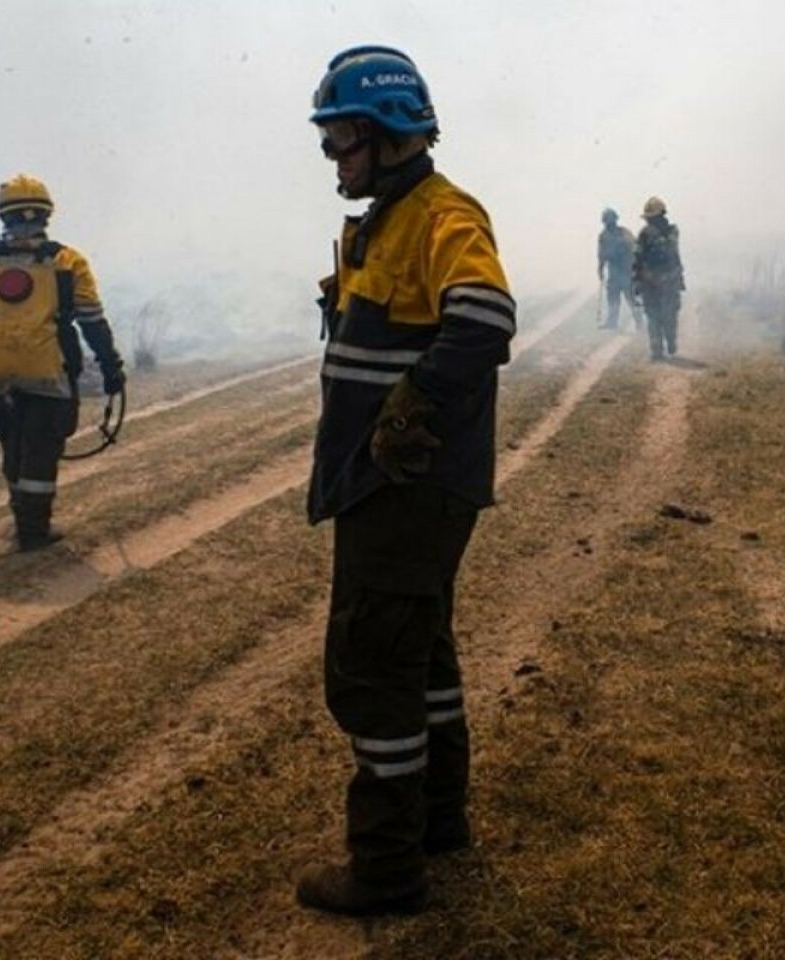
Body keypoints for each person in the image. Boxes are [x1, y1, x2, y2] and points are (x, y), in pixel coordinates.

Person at [298, 46, 517, 917]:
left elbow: (485, 318)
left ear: (387, 132)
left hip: (406, 487)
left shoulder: (441, 214)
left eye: (339, 138)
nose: (331, 156)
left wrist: (413, 400)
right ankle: (438, 820)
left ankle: (386, 870)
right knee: (419, 651)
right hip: (389, 484)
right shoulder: (385, 221)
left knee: (372, 666)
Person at [0, 174, 125, 550]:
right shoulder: (67, 261)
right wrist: (111, 366)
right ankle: (33, 531)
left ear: (3, 215)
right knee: (41, 446)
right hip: (49, 369)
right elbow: (92, 320)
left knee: (12, 441)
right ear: (46, 214)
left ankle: (20, 517)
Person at [632, 196, 685, 360]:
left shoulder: (660, 233)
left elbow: (638, 257)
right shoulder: (668, 232)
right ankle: (659, 349)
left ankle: (666, 345)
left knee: (663, 316)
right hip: (656, 281)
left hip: (662, 280)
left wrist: (637, 278)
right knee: (657, 316)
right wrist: (637, 279)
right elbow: (638, 258)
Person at [597, 207, 641, 330]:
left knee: (631, 298)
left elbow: (635, 247)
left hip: (627, 271)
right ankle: (612, 323)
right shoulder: (604, 236)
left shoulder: (624, 233)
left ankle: (639, 323)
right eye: (607, 221)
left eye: (610, 220)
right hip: (614, 271)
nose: (608, 223)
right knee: (613, 298)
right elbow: (601, 254)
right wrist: (600, 268)